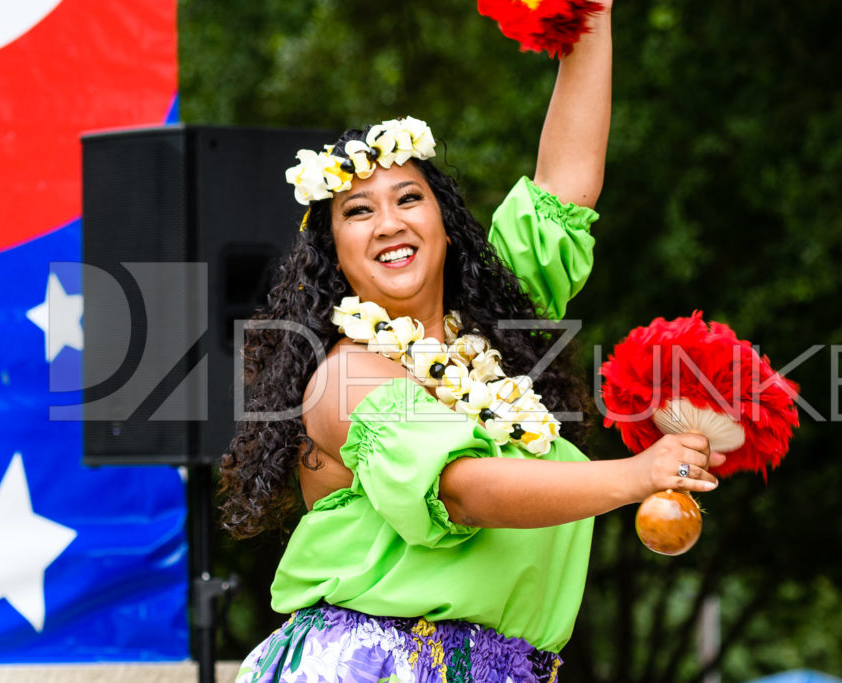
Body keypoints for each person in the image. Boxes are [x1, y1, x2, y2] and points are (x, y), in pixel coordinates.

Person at [221, 4, 723, 681]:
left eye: (408, 198)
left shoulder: (490, 329)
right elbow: (460, 490)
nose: (389, 223)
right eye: (359, 211)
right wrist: (632, 477)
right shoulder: (348, 377)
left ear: (446, 223)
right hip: (374, 663)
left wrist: (592, 17)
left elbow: (565, 186)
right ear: (332, 253)